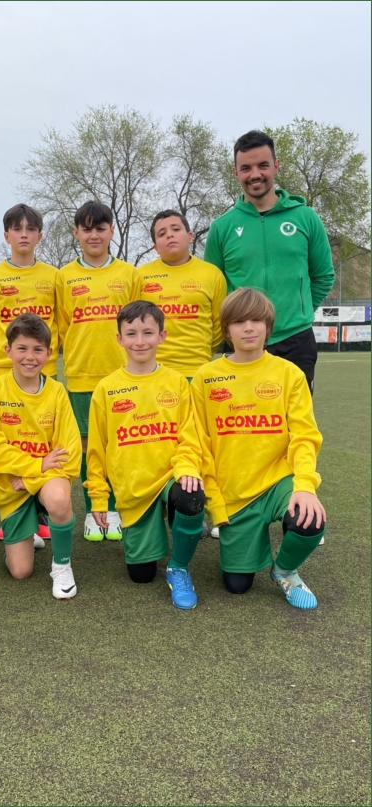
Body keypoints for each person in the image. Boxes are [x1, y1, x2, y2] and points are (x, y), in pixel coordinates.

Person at [191, 288, 326, 609]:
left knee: (308, 521)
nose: (248, 328)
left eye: (256, 320)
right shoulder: (206, 377)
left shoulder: (289, 374)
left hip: (278, 480)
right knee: (237, 585)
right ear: (227, 330)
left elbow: (304, 436)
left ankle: (285, 570)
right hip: (235, 492)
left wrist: (305, 486)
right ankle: (246, 548)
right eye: (239, 322)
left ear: (269, 327)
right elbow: (199, 444)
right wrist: (216, 504)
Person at [86, 301, 205, 609]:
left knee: (190, 495)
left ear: (162, 336)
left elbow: (189, 437)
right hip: (133, 490)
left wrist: (187, 468)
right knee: (141, 576)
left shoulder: (177, 383)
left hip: (169, 476)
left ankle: (179, 566)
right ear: (119, 339)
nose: (140, 341)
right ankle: (158, 531)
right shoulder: (107, 388)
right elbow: (97, 449)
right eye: (131, 333)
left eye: (148, 332)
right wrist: (98, 497)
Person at [203, 130, 335, 394]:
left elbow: (323, 276)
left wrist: (296, 312)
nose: (255, 174)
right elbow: (214, 287)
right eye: (246, 168)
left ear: (276, 165)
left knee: (296, 417)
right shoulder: (222, 227)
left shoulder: (306, 218)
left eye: (263, 165)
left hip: (295, 341)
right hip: (242, 343)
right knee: (243, 417)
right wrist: (236, 326)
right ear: (236, 172)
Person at [0, 313, 82, 600]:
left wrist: (33, 478)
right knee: (20, 571)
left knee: (58, 499)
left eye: (38, 349)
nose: (30, 357)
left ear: (49, 353)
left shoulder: (57, 392)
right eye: (22, 348)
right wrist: (35, 465)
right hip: (12, 484)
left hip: (43, 478)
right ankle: (26, 532)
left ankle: (62, 566)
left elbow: (69, 451)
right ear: (8, 350)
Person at [55, 200, 140, 542]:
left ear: (111, 231)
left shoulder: (129, 274)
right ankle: (94, 511)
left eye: (100, 228)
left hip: (122, 375)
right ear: (76, 232)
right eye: (87, 229)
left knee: (119, 444)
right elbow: (63, 325)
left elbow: (138, 325)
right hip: (81, 374)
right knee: (88, 446)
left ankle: (117, 509)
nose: (94, 235)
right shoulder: (64, 276)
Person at [0, 203, 60, 544]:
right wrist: (4, 355)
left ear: (39, 235)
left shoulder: (53, 276)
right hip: (4, 371)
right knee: (9, 440)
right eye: (17, 229)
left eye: (30, 229)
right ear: (6, 235)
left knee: (40, 440)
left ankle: (40, 515)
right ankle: (11, 512)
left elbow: (62, 320)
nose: (23, 235)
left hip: (44, 371)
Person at [139, 210, 227, 377]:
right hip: (151, 372)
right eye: (162, 233)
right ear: (156, 247)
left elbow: (219, 325)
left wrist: (201, 352)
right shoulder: (139, 276)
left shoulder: (213, 274)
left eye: (176, 229)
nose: (170, 235)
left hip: (197, 370)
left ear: (190, 236)